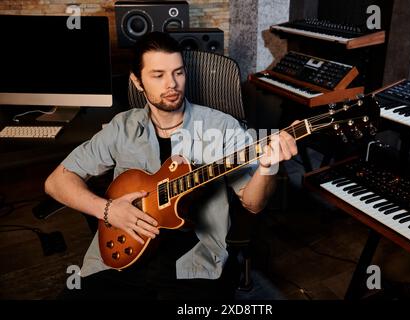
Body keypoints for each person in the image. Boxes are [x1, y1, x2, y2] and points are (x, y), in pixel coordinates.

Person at [45, 32, 298, 300]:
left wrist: (268, 166)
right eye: (158, 75)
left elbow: (253, 203)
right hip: (117, 258)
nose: (172, 84)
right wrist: (108, 211)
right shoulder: (122, 126)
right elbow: (56, 182)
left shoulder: (221, 126)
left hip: (193, 265)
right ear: (137, 81)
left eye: (178, 72)